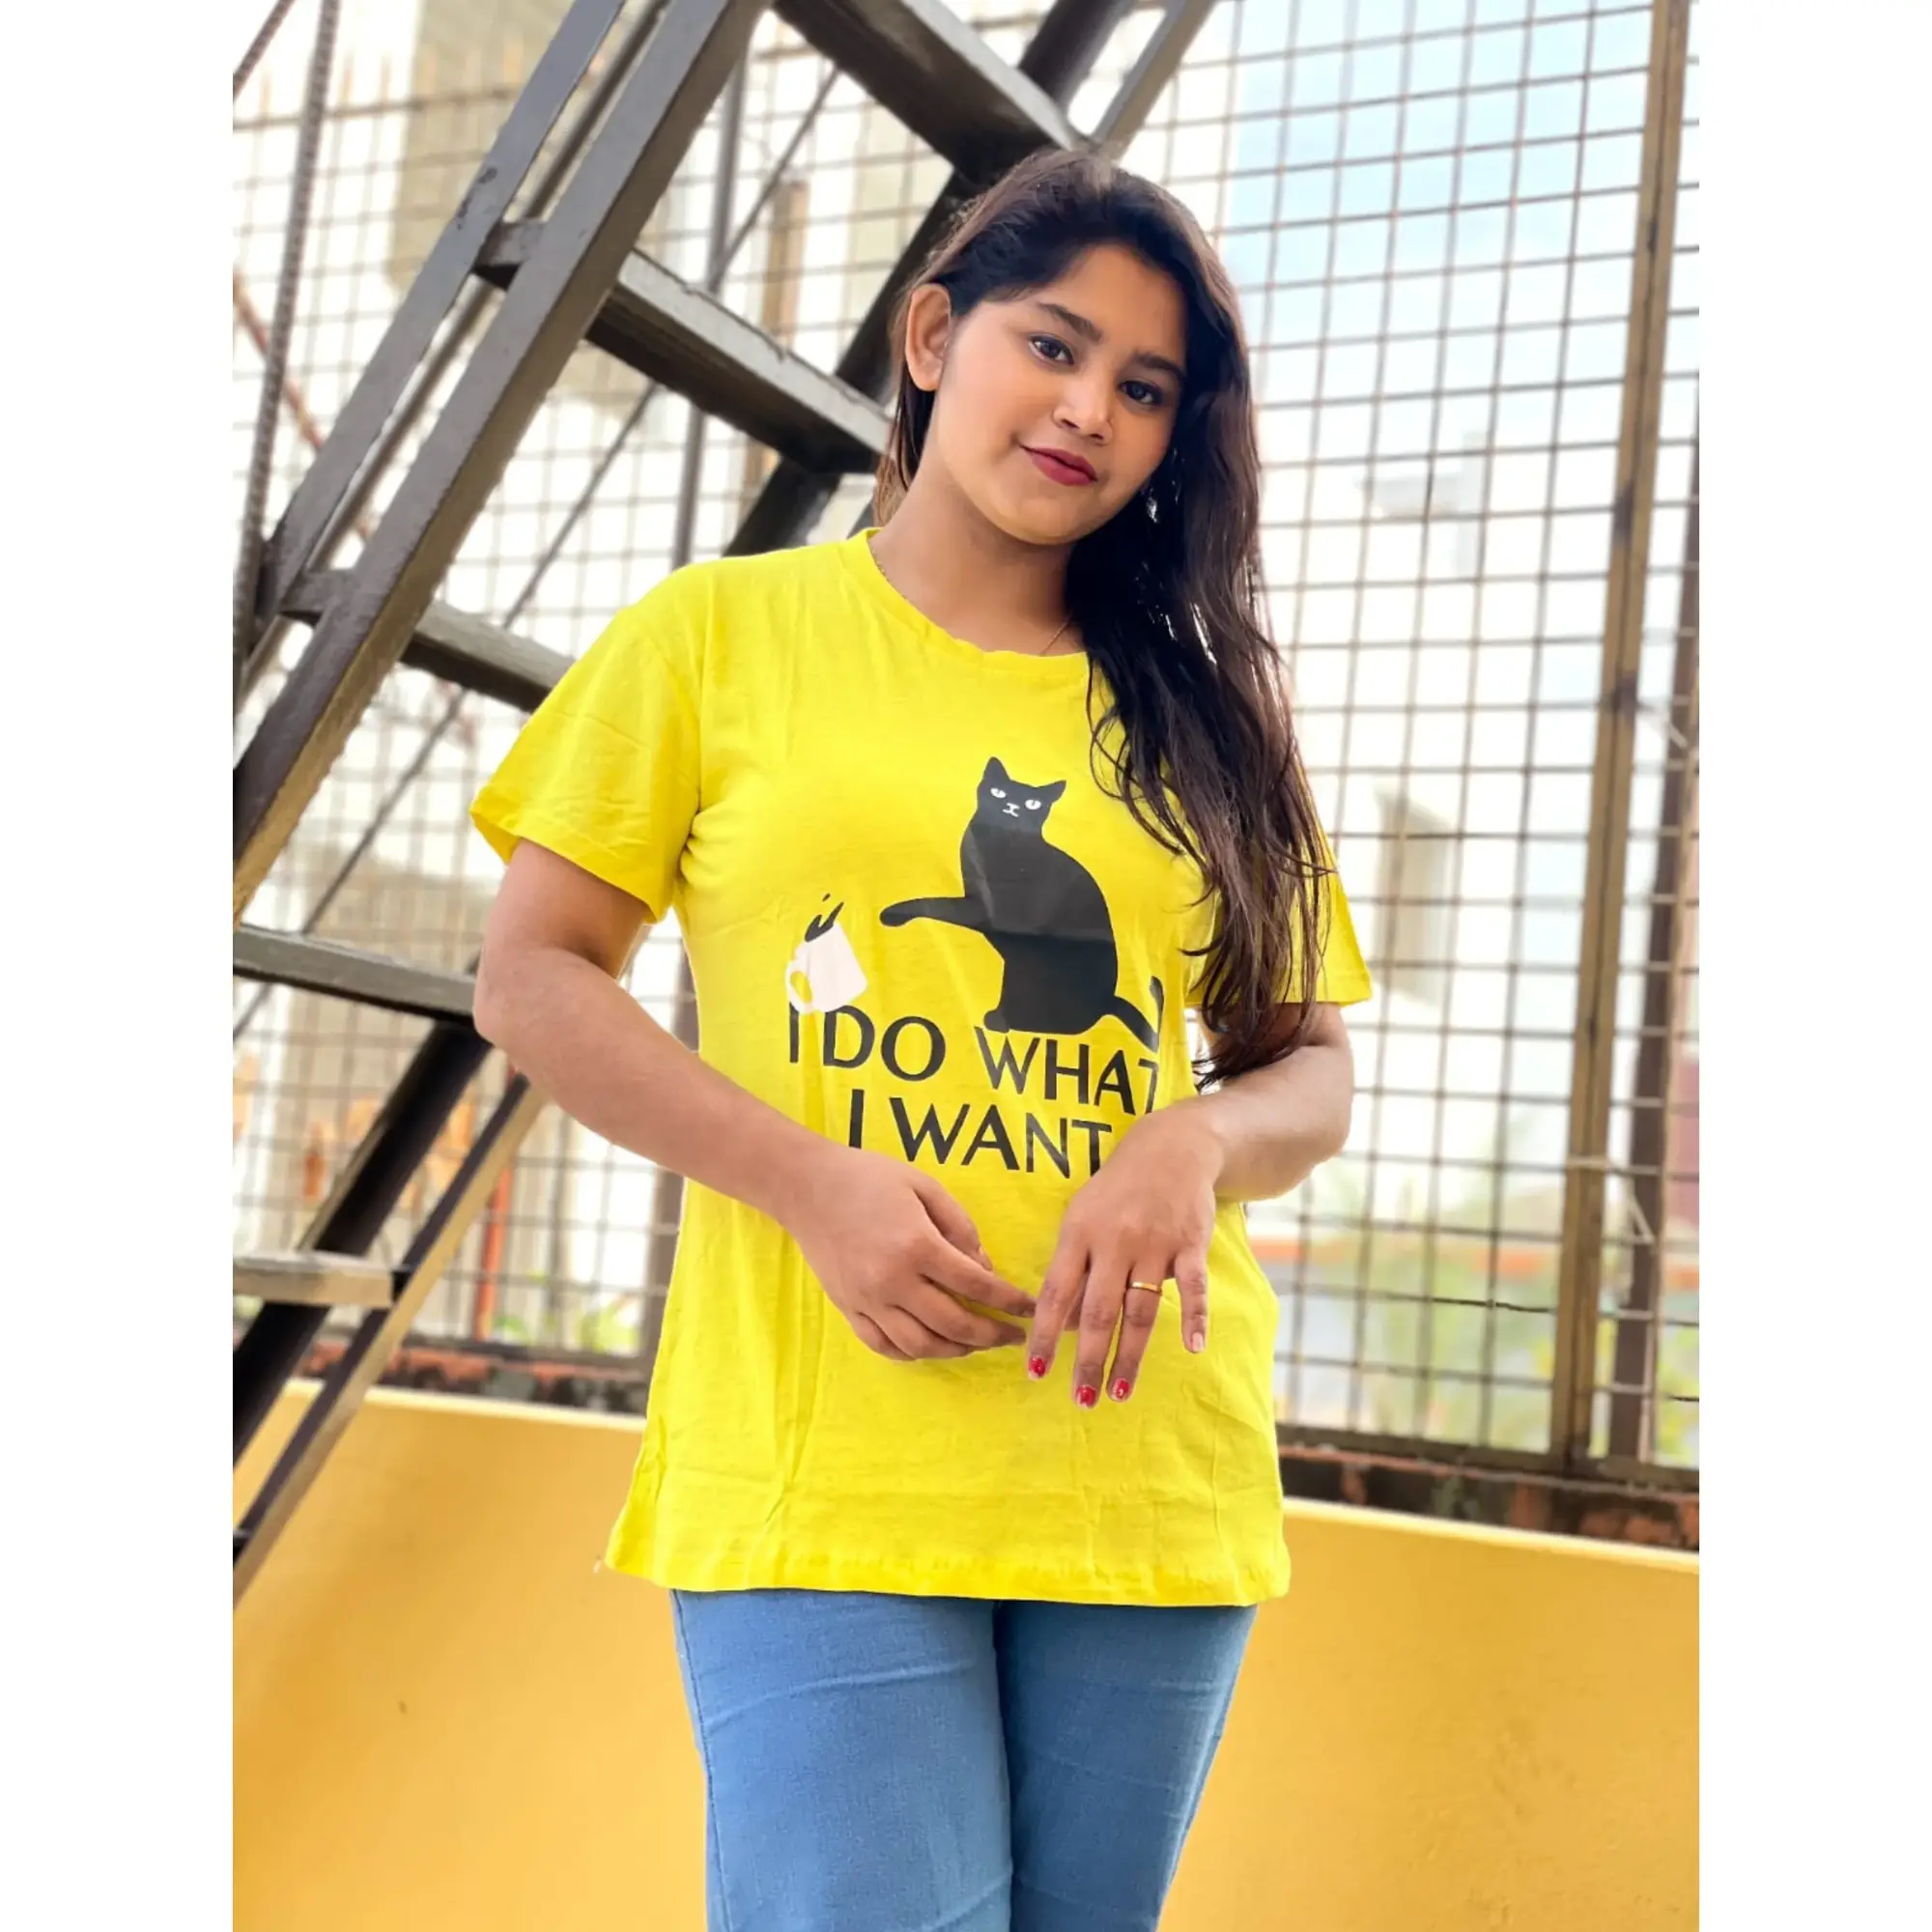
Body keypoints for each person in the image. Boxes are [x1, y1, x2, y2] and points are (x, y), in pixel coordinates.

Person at [469, 148, 1372, 1932]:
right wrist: (810, 1182)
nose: (1090, 410)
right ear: (936, 335)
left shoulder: (1208, 718)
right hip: (821, 1454)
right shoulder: (718, 637)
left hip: (1139, 1463)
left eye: (1145, 388)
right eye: (1055, 346)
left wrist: (1190, 1140)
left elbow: (1310, 1068)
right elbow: (535, 976)